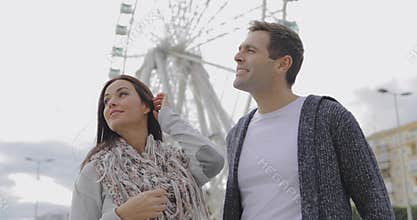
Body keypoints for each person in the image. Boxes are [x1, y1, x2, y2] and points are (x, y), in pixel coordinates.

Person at [223, 21, 394, 219]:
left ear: (282, 64)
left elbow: (374, 200)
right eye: (239, 50)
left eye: (250, 51)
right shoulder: (236, 135)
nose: (237, 57)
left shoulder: (329, 117)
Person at [70, 75, 224, 220]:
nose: (111, 103)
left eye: (122, 94)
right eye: (106, 101)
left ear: (146, 106)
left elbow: (212, 159)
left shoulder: (179, 164)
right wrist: (122, 215)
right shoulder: (96, 172)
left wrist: (168, 119)